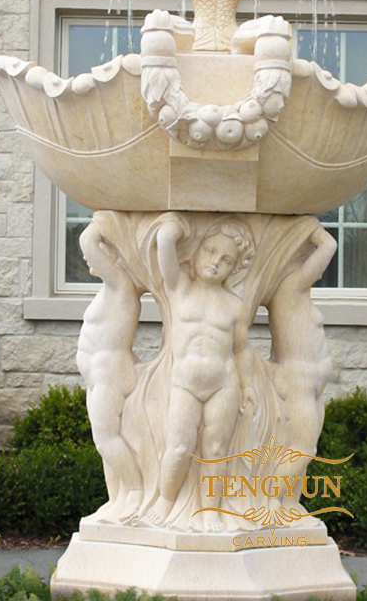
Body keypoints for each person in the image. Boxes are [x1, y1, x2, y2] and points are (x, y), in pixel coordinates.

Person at [148, 217, 256, 530]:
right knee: (179, 446)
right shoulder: (179, 287)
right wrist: (172, 229)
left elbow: (241, 349)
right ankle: (165, 499)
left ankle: (211, 510)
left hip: (223, 384)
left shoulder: (235, 305)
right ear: (196, 252)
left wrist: (247, 386)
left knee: (215, 449)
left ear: (234, 268)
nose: (215, 262)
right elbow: (164, 250)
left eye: (226, 260)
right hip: (184, 383)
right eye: (209, 251)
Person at [76, 217, 144, 522]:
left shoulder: (121, 285)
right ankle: (118, 500)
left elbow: (87, 243)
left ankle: (136, 493)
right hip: (101, 374)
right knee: (106, 441)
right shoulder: (113, 288)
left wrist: (101, 226)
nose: (93, 261)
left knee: (107, 438)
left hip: (111, 373)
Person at [267, 225, 336, 502]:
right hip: (298, 383)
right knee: (303, 448)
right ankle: (269, 502)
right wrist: (307, 227)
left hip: (312, 384)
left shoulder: (298, 292)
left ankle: (289, 506)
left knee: (302, 450)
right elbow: (329, 246)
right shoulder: (292, 286)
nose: (315, 267)